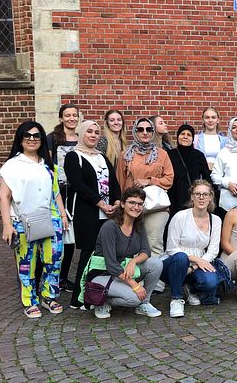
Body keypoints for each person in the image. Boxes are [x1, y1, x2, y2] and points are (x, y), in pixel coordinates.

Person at [0, 121, 68, 318]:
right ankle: (29, 300)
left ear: (41, 140)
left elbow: (56, 193)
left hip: (51, 219)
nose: (32, 139)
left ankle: (48, 296)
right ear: (20, 139)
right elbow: (4, 196)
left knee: (54, 260)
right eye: (27, 135)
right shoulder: (12, 165)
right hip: (23, 221)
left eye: (36, 135)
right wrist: (6, 225)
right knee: (27, 263)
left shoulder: (48, 165)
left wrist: (63, 215)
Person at [80, 187, 163, 319]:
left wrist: (133, 261)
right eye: (132, 203)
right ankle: (102, 301)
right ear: (123, 204)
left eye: (140, 204)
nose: (136, 207)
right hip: (102, 274)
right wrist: (135, 285)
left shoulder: (138, 225)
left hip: (121, 271)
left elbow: (146, 251)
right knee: (134, 298)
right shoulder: (110, 227)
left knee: (156, 263)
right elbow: (111, 264)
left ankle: (144, 303)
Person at [63, 120, 121, 309]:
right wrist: (101, 204)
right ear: (80, 133)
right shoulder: (73, 157)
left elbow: (113, 182)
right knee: (88, 253)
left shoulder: (102, 157)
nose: (93, 135)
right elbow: (79, 186)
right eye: (89, 131)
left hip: (108, 213)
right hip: (87, 213)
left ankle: (97, 292)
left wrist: (117, 202)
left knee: (103, 254)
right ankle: (79, 298)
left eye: (97, 132)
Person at [161, 180, 221, 318]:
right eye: (198, 194)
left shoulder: (216, 220)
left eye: (205, 194)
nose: (201, 198)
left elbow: (212, 251)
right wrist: (193, 259)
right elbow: (171, 248)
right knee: (181, 257)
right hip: (176, 261)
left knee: (211, 283)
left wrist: (195, 265)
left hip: (200, 262)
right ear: (192, 197)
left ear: (210, 197)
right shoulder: (180, 216)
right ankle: (176, 298)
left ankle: (189, 288)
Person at [116, 118, 175, 256]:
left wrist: (149, 181)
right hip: (132, 205)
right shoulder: (125, 155)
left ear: (153, 132)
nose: (145, 132)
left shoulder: (162, 154)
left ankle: (154, 275)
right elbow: (120, 182)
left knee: (153, 244)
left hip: (156, 206)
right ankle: (134, 275)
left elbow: (169, 179)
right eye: (140, 129)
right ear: (135, 132)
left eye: (148, 129)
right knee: (131, 244)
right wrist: (120, 203)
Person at [46, 103, 79, 292]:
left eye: (74, 115)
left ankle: (64, 278)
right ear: (61, 118)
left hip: (76, 193)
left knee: (71, 239)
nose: (71, 118)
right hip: (59, 191)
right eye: (67, 115)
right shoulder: (52, 139)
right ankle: (48, 277)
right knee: (56, 235)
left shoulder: (81, 138)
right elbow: (49, 165)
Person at [167, 124, 211, 219]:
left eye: (189, 134)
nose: (185, 136)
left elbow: (206, 176)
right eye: (182, 134)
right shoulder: (170, 154)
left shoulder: (198, 155)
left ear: (192, 139)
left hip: (193, 197)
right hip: (175, 196)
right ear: (178, 136)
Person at [195, 107, 227, 171]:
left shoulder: (225, 141)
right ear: (203, 120)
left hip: (220, 174)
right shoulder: (196, 139)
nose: (210, 120)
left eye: (213, 117)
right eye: (207, 117)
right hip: (202, 175)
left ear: (218, 120)